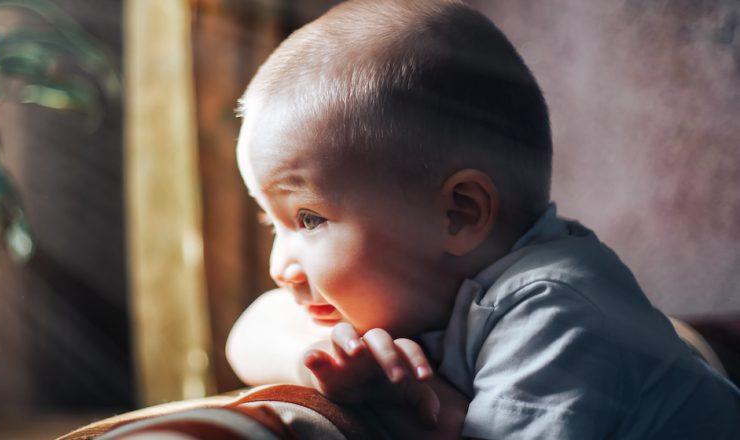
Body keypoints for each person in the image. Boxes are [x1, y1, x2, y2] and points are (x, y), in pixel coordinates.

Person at [225, 0, 740, 438]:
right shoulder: (425, 294)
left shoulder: (555, 313)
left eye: (309, 219)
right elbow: (249, 333)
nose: (280, 267)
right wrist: (317, 362)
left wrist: (433, 410)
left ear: (459, 213)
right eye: (274, 226)